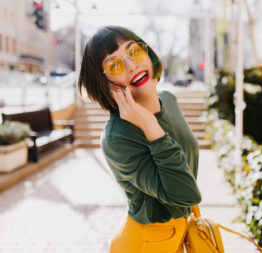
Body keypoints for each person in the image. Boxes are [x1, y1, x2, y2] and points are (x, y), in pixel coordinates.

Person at [78, 26, 202, 253]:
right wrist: (149, 126)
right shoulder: (117, 137)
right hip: (146, 243)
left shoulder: (169, 99)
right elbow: (186, 195)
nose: (131, 65)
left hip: (178, 234)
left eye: (133, 51)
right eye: (114, 64)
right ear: (104, 83)